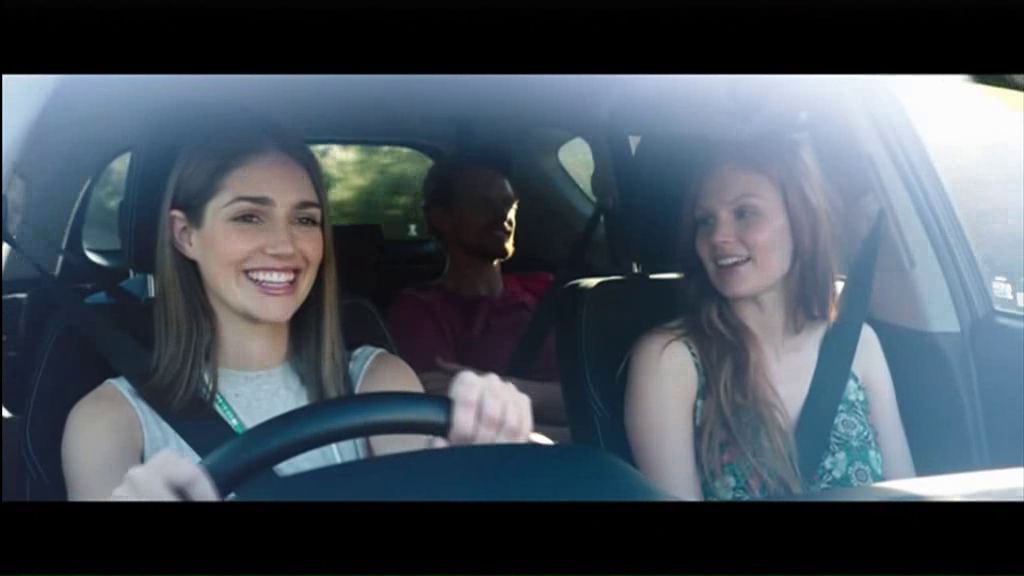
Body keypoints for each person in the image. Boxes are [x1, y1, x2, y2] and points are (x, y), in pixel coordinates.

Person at [61, 119, 534, 501]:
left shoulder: (377, 380)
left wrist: (476, 467)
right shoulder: (110, 421)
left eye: (305, 219)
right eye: (249, 216)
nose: (286, 246)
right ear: (186, 236)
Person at [624, 135, 916, 500]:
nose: (718, 236)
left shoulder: (858, 345)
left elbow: (904, 492)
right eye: (706, 221)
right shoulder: (670, 360)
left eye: (744, 213)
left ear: (801, 220)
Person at [387, 156, 568, 443]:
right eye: (484, 204)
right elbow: (446, 416)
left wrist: (493, 386)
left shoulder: (547, 288)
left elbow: (599, 393)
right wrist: (560, 409)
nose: (502, 215)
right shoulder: (420, 310)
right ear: (441, 217)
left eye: (508, 204)